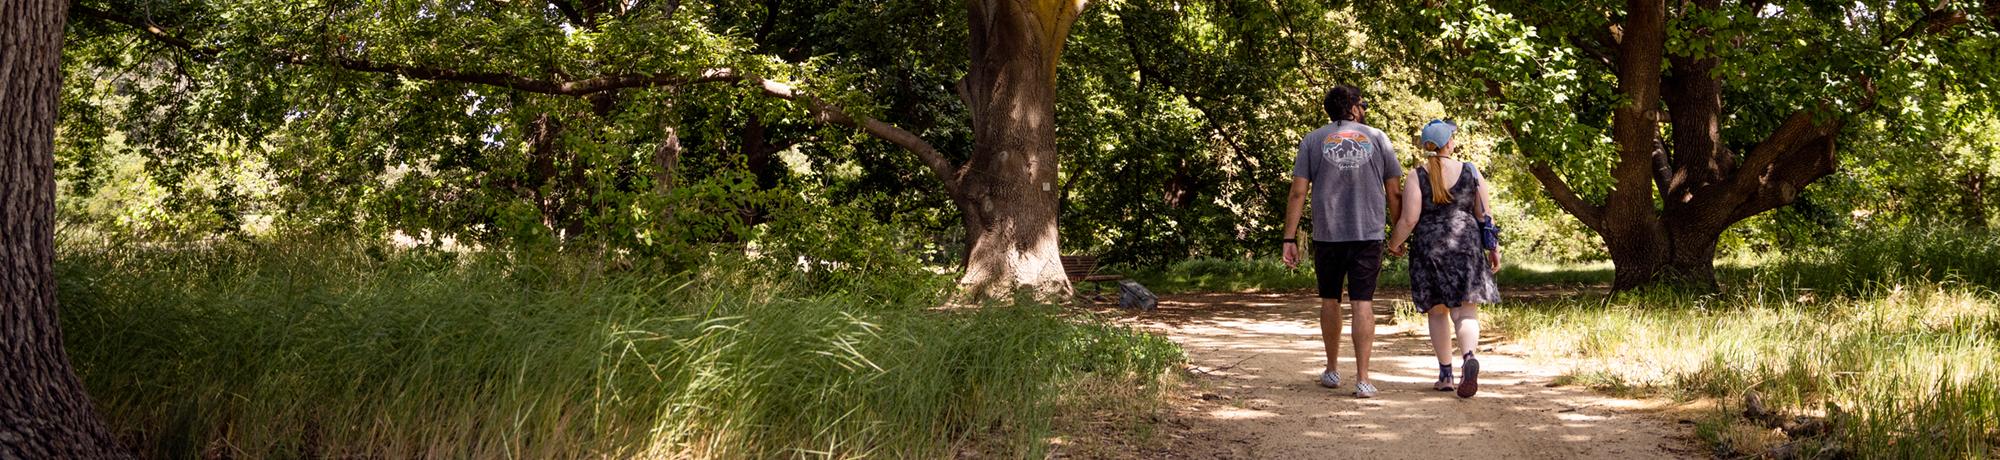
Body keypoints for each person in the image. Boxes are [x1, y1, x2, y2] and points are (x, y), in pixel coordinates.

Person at [1281, 84, 1403, 399]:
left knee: (1330, 299)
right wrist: (1400, 234)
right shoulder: (1378, 138)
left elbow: (1298, 192)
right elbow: (1394, 191)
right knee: (1363, 303)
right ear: (1351, 107)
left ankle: (1333, 369)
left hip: (1328, 234)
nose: (1365, 109)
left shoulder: (1312, 140)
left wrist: (1289, 237)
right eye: (1362, 103)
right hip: (1368, 233)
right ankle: (1363, 379)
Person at [1386, 119, 1501, 399]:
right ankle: (1469, 357)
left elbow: (1410, 218)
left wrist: (1394, 244)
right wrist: (1493, 247)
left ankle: (1446, 375)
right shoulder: (1471, 171)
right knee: (1466, 310)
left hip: (1430, 246)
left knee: (1438, 311)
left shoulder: (1417, 175)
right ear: (1449, 143)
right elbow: (1484, 215)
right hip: (1467, 244)